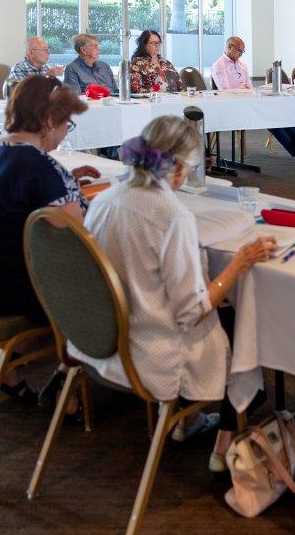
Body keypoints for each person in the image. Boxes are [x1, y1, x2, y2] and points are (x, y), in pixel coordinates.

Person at [76, 115, 277, 471]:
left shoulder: (105, 199)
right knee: (244, 323)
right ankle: (223, 444)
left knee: (217, 307)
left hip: (100, 335)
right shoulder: (172, 216)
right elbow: (193, 310)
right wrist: (239, 263)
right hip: (152, 349)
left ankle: (187, 421)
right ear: (181, 167)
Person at [0, 75, 96, 404]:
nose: (64, 135)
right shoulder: (37, 169)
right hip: (11, 287)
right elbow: (76, 240)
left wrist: (66, 184)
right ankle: (67, 387)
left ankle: (8, 365)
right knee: (103, 293)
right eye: (66, 125)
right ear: (48, 121)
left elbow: (21, 196)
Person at [210, 36, 295, 162]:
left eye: (243, 52)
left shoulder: (242, 65)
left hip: (249, 101)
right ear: (229, 47)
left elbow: (250, 86)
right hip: (234, 106)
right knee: (272, 118)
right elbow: (226, 91)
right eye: (239, 51)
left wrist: (255, 97)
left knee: (278, 114)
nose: (241, 55)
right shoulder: (219, 65)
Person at [127, 29, 181, 93]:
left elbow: (180, 85)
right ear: (144, 45)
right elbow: (135, 89)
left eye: (158, 42)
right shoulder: (137, 64)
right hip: (152, 100)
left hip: (174, 100)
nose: (157, 45)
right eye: (153, 43)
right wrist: (156, 90)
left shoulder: (167, 63)